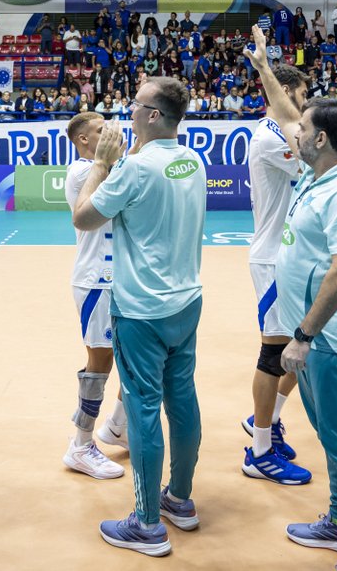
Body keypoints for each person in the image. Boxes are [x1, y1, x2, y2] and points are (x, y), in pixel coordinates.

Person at [246, 41, 337, 571]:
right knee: (331, 437)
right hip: (313, 339)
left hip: (329, 342)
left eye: (302, 130)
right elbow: (286, 113)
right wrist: (263, 68)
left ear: (321, 139)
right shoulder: (318, 175)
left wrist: (302, 336)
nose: (293, 132)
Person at [71, 78, 206, 557]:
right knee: (182, 400)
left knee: (144, 409)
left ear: (152, 114)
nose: (127, 112)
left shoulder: (133, 169)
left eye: (135, 104)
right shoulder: (194, 160)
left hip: (142, 309)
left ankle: (147, 524)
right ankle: (180, 499)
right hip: (186, 300)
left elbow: (83, 217)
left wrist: (102, 164)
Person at [240, 55, 313, 485]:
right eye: (302, 94)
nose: (306, 102)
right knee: (275, 353)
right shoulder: (271, 137)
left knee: (302, 347)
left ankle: (264, 420)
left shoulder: (280, 132)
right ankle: (260, 452)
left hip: (290, 255)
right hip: (272, 258)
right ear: (284, 92)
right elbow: (320, 162)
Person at [61, 112, 126, 479]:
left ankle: (119, 426)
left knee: (131, 355)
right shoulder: (83, 172)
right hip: (96, 279)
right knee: (99, 361)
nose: (112, 135)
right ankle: (81, 444)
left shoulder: (109, 167)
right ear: (84, 140)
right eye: (102, 131)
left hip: (120, 278)